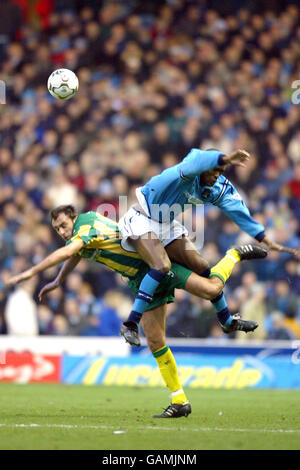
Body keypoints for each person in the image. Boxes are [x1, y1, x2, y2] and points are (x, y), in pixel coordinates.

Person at [5, 205, 267, 418]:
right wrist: (59, 280)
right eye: (57, 229)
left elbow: (70, 250)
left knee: (211, 289)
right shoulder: (81, 234)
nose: (62, 231)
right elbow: (76, 254)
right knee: (155, 342)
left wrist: (32, 272)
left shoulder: (85, 224)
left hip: (152, 265)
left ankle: (233, 254)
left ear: (73, 218)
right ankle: (179, 401)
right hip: (139, 279)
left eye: (63, 225)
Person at [119, 147, 299, 346]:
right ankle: (131, 324)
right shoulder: (187, 172)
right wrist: (226, 159)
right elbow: (196, 158)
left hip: (166, 225)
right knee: (161, 266)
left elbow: (237, 209)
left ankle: (227, 321)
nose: (216, 175)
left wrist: (263, 236)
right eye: (213, 170)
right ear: (204, 168)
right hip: (142, 218)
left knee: (203, 266)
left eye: (220, 172)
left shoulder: (214, 187)